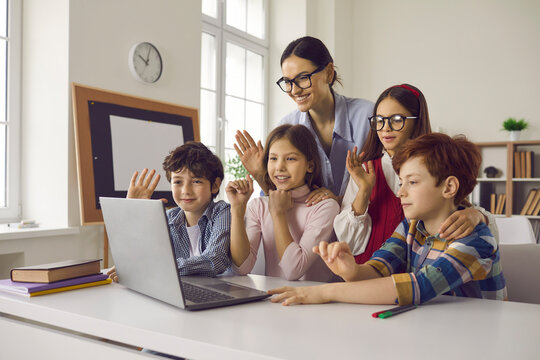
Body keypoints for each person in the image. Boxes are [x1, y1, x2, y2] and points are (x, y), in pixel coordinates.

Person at [268, 133, 507, 306]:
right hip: (433, 331)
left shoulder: (476, 239)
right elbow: (379, 268)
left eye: (412, 182)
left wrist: (325, 292)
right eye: (401, 182)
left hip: (479, 339)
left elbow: (418, 287)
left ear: (449, 187)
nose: (401, 192)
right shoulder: (411, 226)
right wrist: (351, 271)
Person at [334, 84, 498, 264]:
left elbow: (485, 234)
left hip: (420, 277)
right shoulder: (364, 170)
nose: (385, 128)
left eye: (396, 119)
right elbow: (347, 241)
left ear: (417, 121)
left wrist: (476, 215)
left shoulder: (436, 165)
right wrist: (364, 191)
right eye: (379, 120)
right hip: (371, 272)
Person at [234, 36, 373, 204]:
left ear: (329, 73)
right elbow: (282, 205)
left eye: (303, 78)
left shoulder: (369, 117)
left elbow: (388, 185)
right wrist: (260, 174)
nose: (295, 90)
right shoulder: (287, 127)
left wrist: (337, 200)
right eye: (287, 82)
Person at [226, 124, 339, 281]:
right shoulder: (259, 206)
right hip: (272, 300)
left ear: (310, 165)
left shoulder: (325, 207)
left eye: (290, 159)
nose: (279, 167)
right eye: (273, 158)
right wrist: (237, 209)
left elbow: (294, 270)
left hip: (313, 302)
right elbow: (242, 268)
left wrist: (278, 213)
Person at [107, 142, 231, 281]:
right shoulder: (169, 217)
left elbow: (215, 260)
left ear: (214, 185)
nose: (186, 191)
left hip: (217, 290)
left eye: (196, 181)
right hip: (178, 288)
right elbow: (142, 255)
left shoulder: (222, 211)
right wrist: (134, 212)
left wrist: (155, 267)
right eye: (178, 182)